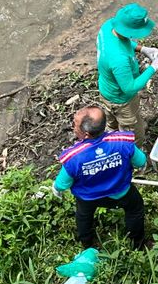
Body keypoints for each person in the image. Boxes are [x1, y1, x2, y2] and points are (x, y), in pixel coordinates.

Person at [53, 106, 147, 249]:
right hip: (120, 191)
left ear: (85, 134)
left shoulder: (73, 157)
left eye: (75, 124)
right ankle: (137, 244)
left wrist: (56, 189)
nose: (73, 127)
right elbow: (140, 161)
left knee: (83, 217)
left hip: (88, 198)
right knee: (135, 209)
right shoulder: (122, 142)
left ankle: (87, 244)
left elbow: (62, 184)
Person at [97, 3, 158, 147]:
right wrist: (153, 68)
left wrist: (142, 49)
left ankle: (112, 134)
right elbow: (129, 88)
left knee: (112, 122)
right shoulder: (119, 59)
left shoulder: (108, 26)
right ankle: (133, 157)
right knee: (133, 133)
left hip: (106, 90)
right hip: (122, 100)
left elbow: (123, 41)